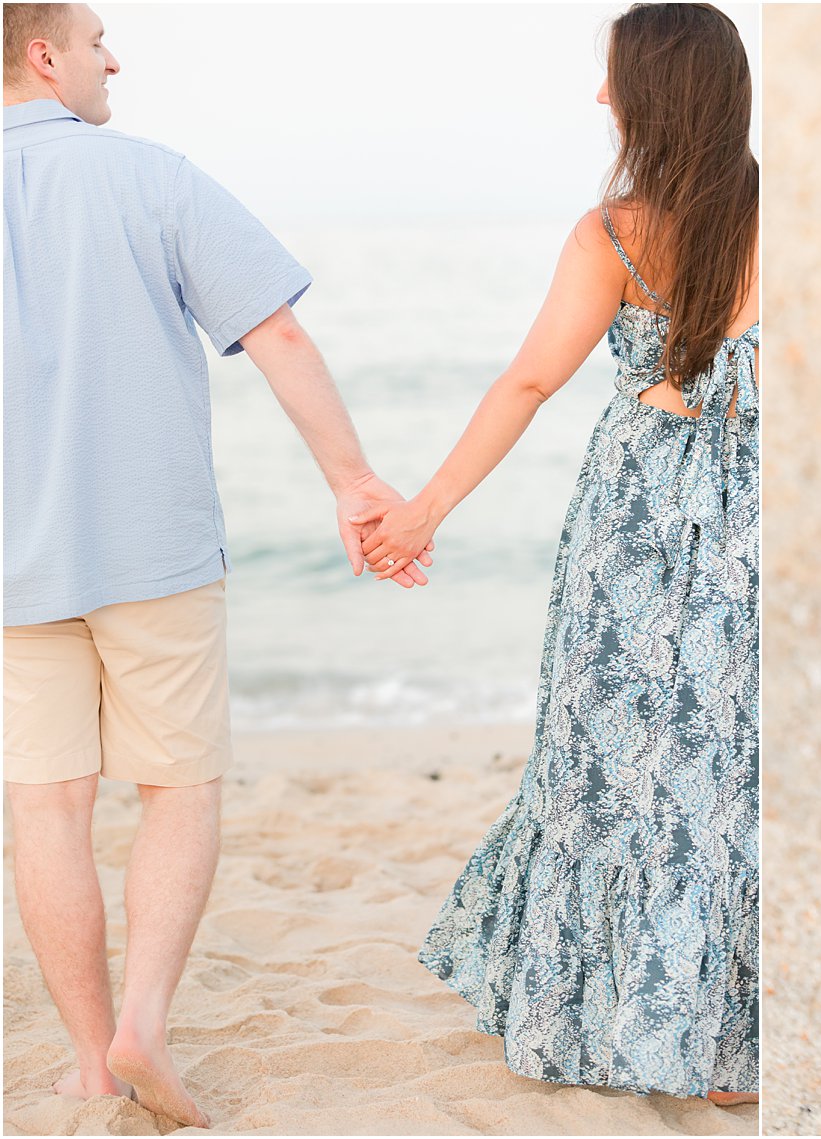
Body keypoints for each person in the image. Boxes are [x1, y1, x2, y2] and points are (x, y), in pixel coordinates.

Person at [2, 4, 430, 1128]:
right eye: (98, 40)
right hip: (154, 547)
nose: (115, 58)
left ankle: (93, 1062)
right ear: (44, 54)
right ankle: (144, 1015)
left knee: (42, 802)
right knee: (178, 784)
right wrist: (352, 480)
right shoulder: (152, 176)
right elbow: (277, 334)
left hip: (10, 560)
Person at [357, 2, 759, 1103]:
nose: (600, 99)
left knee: (612, 762)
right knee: (737, 762)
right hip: (766, 520)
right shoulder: (802, 214)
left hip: (636, 524)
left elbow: (528, 381)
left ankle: (628, 1019)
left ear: (655, 97)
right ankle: (743, 1041)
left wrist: (423, 509)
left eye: (613, 81)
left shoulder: (618, 232)